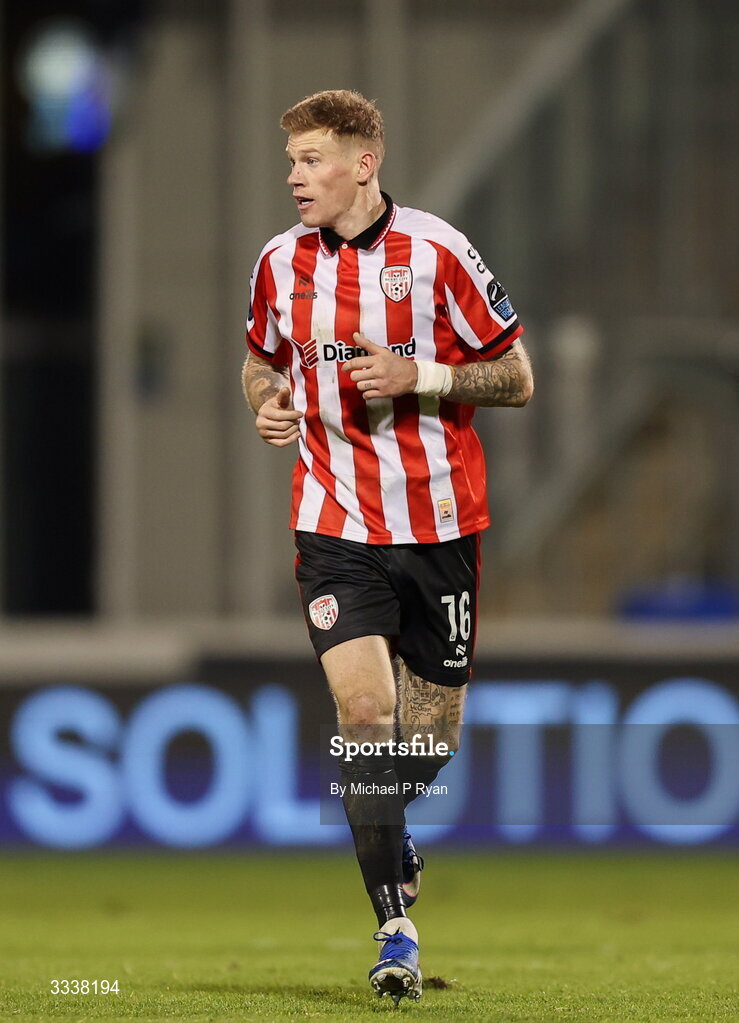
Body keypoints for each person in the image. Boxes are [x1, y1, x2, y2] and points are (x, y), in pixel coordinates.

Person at [242, 89, 533, 1005]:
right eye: (291, 158)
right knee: (364, 722)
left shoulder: (438, 251)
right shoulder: (277, 263)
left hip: (441, 529)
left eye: (314, 157)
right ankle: (394, 931)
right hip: (333, 528)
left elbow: (517, 377)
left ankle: (390, 824)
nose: (294, 174)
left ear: (364, 163)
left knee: (427, 741)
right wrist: (265, 399)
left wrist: (424, 374)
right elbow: (259, 354)